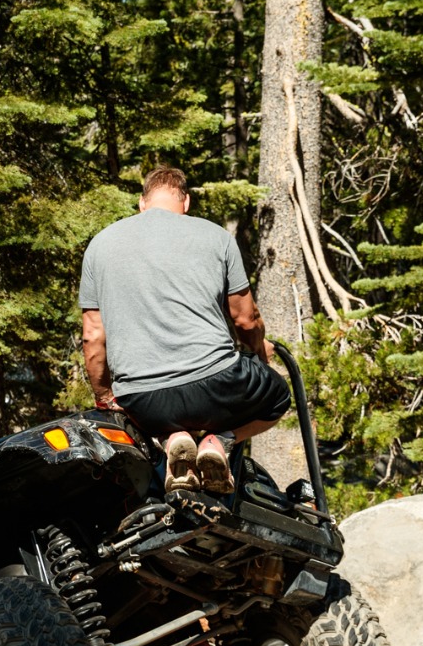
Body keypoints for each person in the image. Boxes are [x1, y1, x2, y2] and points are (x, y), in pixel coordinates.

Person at [79, 165, 292, 494]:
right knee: (277, 397)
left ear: (142, 203)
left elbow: (93, 336)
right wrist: (260, 351)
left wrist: (105, 396)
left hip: (143, 398)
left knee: (159, 414)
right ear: (186, 202)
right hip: (217, 384)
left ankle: (173, 439)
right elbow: (246, 320)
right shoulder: (216, 236)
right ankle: (219, 443)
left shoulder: (100, 245)